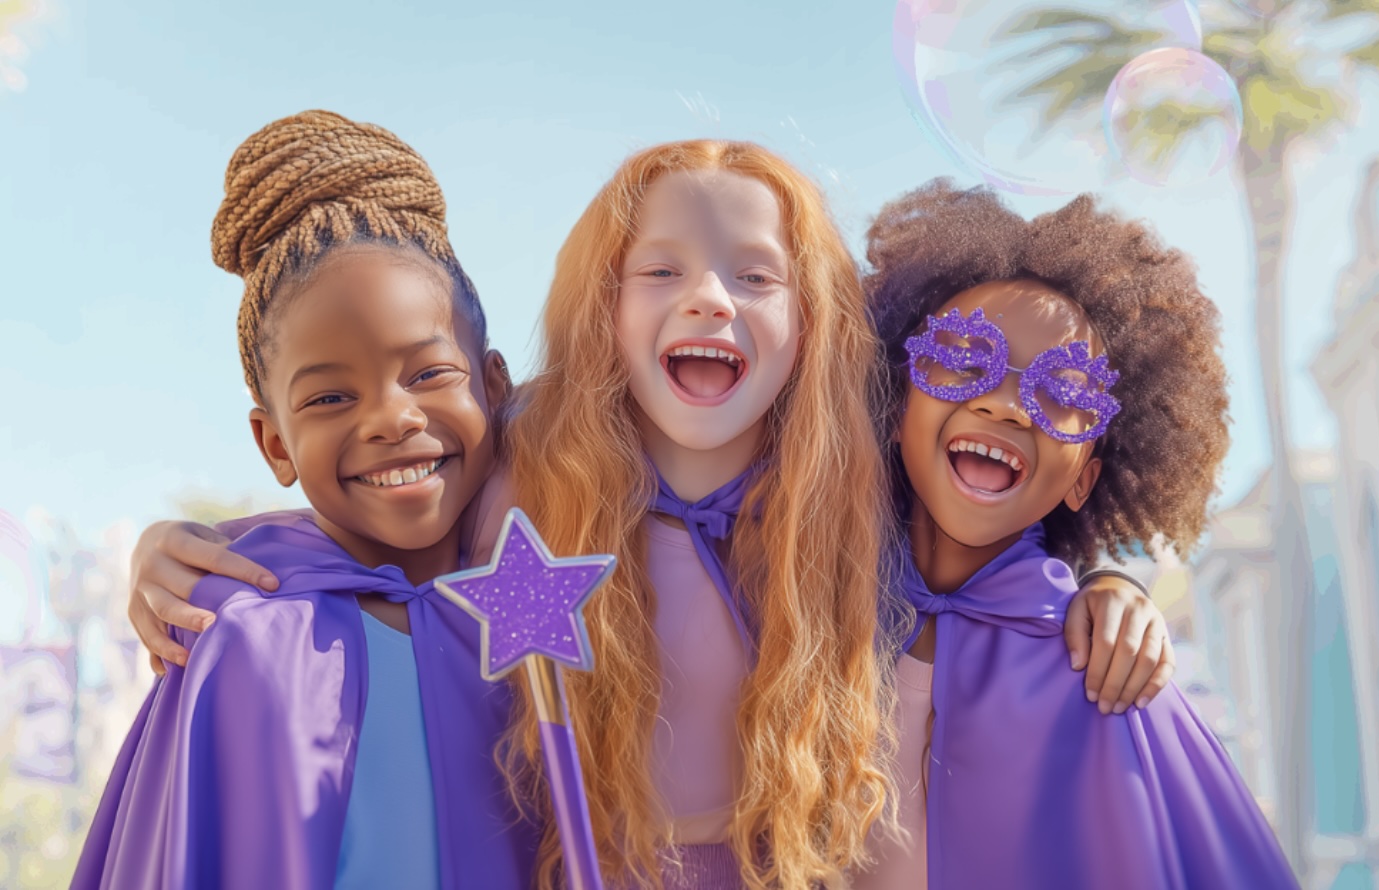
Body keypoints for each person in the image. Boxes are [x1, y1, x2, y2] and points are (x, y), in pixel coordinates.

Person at [119, 145, 1175, 890]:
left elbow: (987, 538)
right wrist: (184, 551)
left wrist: (1109, 582)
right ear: (606, 306)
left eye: (755, 274)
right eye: (660, 269)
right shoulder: (529, 463)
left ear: (812, 317)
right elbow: (384, 518)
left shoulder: (847, 495)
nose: (708, 297)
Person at [72, 110, 533, 889]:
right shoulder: (245, 635)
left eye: (429, 374)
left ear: (495, 384)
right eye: (329, 398)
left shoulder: (551, 608)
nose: (391, 419)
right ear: (275, 445)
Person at [854, 180, 1299, 889]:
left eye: (1062, 393)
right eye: (965, 360)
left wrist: (1114, 582)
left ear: (1083, 481)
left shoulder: (1109, 676)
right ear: (894, 403)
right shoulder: (800, 615)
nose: (1005, 406)